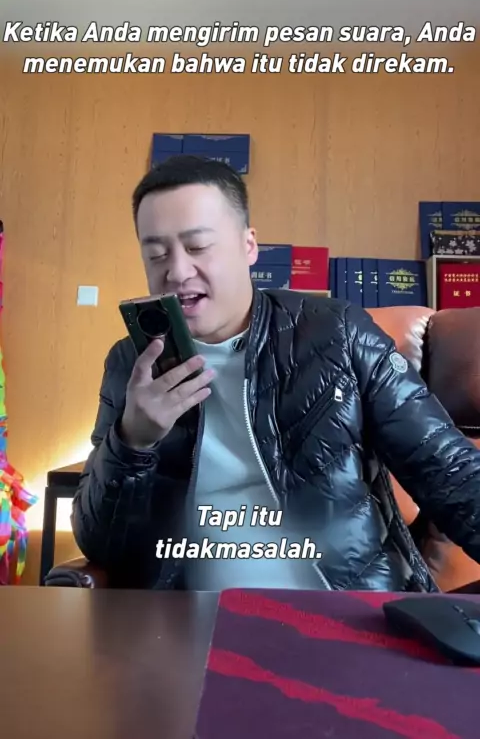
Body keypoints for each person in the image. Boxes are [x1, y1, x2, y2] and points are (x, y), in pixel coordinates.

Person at [72, 156, 480, 592]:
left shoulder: (336, 334)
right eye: (156, 254)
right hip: (188, 620)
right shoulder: (131, 364)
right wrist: (132, 442)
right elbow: (101, 543)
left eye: (198, 247)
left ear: (249, 246)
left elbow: (449, 470)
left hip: (340, 611)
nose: (176, 271)